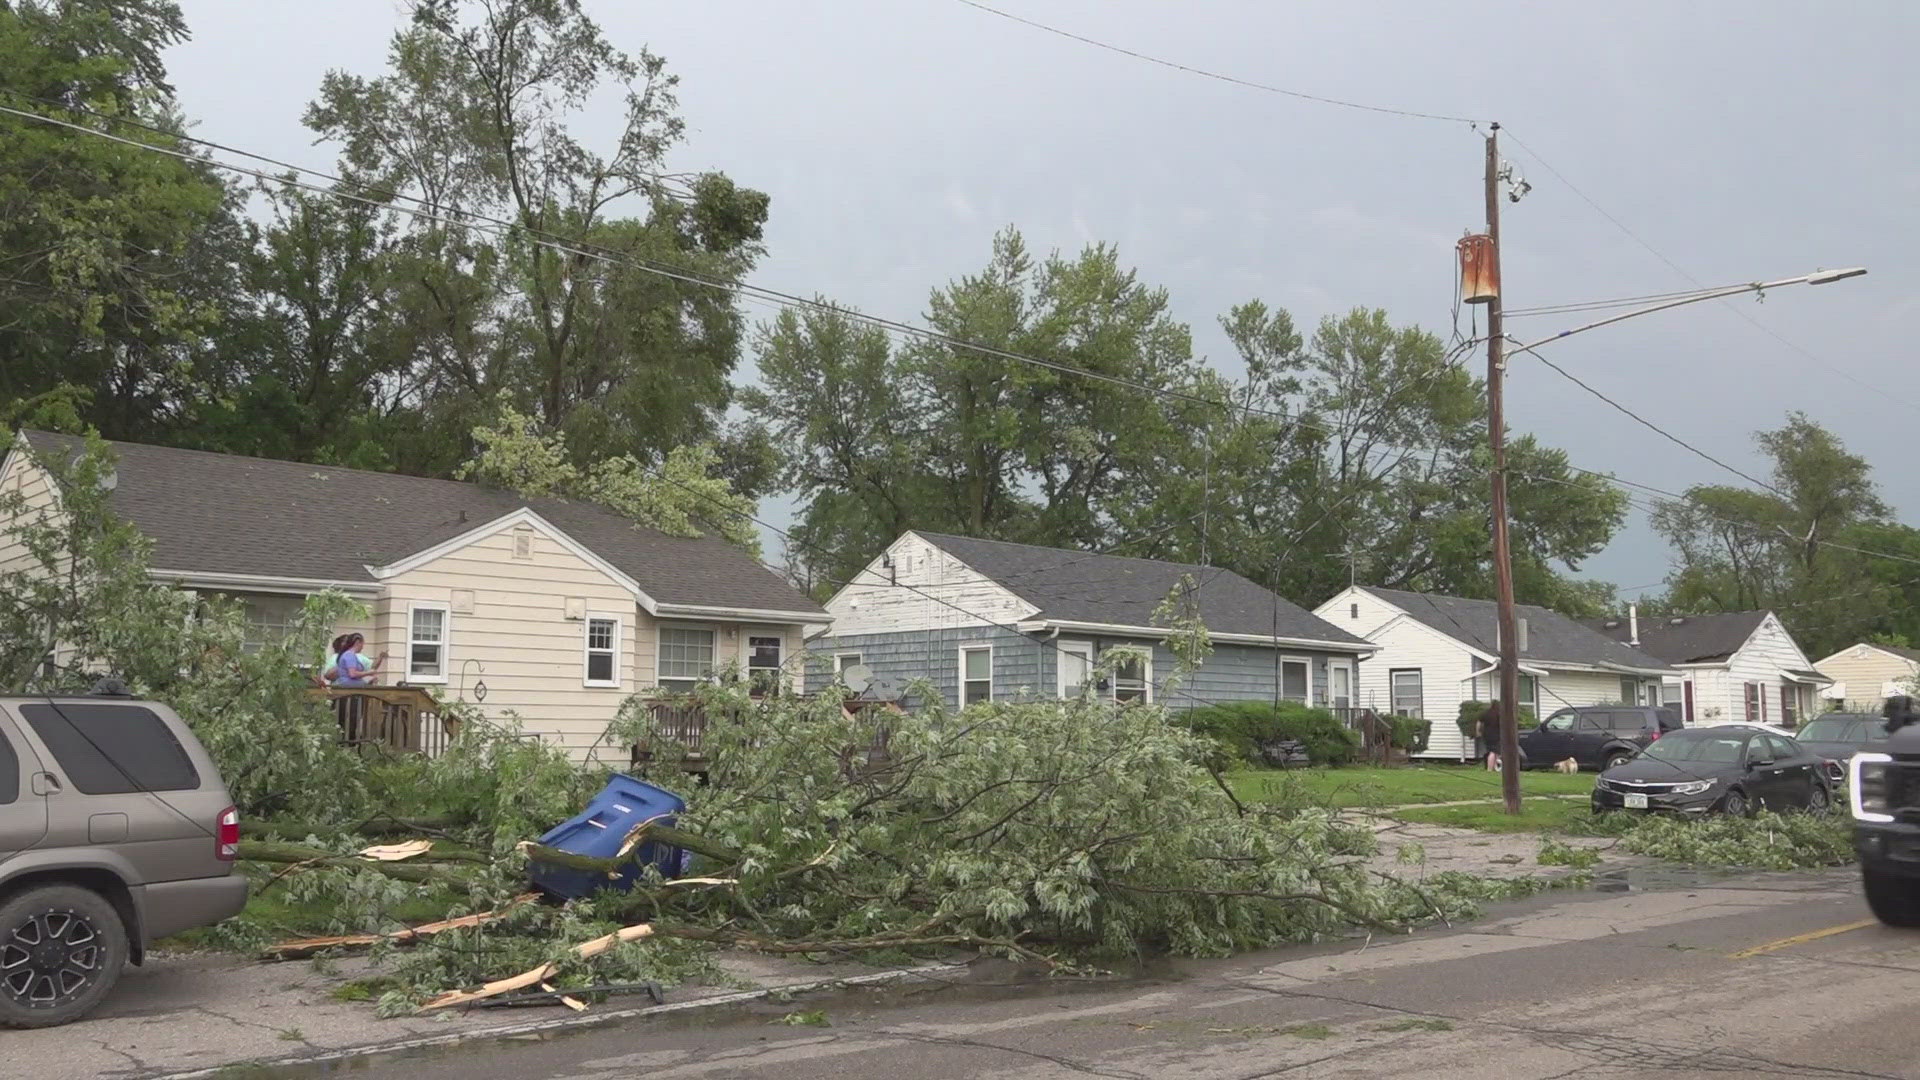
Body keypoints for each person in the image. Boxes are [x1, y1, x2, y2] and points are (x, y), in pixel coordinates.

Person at [1479, 707, 1502, 771]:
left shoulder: (1486, 714)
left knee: (1496, 752)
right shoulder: (1498, 714)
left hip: (1487, 735)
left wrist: (1479, 732)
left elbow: (1479, 723)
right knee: (1493, 752)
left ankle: (1495, 768)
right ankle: (1490, 768)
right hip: (1496, 736)